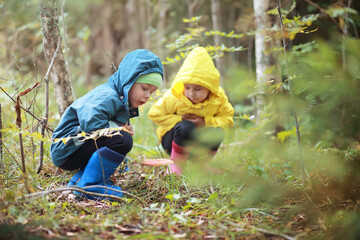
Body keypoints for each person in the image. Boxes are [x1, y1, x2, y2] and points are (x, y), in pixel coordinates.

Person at [51, 49, 163, 199]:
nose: (147, 95)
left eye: (152, 91)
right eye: (144, 88)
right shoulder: (108, 95)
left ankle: (78, 182)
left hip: (73, 147)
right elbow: (90, 122)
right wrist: (117, 129)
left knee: (120, 137)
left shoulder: (119, 97)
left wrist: (118, 127)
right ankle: (92, 186)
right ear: (128, 81)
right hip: (67, 148)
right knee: (122, 139)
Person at [148, 46, 234, 175]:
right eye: (187, 87)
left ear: (209, 87)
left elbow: (227, 119)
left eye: (198, 89)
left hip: (199, 143)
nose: (191, 94)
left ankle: (201, 164)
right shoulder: (175, 97)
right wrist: (180, 119)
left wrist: (205, 122)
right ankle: (176, 165)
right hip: (173, 141)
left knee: (217, 131)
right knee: (185, 126)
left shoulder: (218, 98)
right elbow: (154, 114)